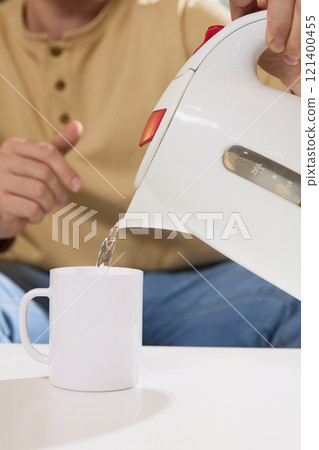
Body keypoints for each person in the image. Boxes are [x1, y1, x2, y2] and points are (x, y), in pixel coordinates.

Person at [0, 0, 301, 346]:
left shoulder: (186, 19)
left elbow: (298, 159)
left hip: (204, 289)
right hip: (38, 292)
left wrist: (302, 68)